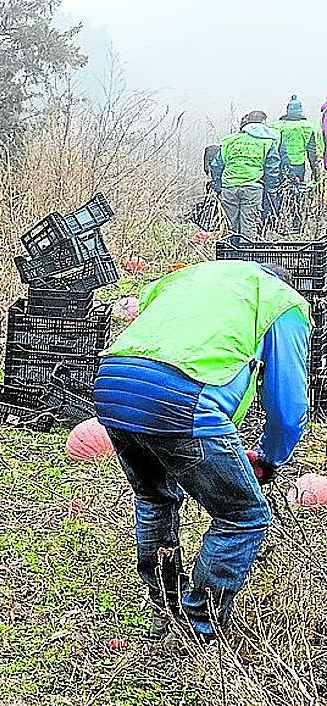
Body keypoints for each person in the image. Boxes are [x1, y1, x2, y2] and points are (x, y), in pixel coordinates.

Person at [94, 261, 310, 643]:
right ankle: (197, 628)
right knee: (243, 516)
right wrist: (270, 458)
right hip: (179, 395)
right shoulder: (281, 303)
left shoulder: (193, 279)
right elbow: (288, 407)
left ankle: (166, 607)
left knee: (154, 497)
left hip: (113, 381)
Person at [209, 111, 283, 239]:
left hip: (229, 187)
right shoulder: (267, 142)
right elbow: (272, 168)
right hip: (253, 187)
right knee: (249, 224)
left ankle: (229, 254)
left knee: (229, 225)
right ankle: (245, 254)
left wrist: (218, 186)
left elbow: (217, 165)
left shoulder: (229, 140)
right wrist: (270, 189)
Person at [271, 96, 320, 232]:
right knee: (297, 195)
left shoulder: (277, 126)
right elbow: (312, 152)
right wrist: (316, 174)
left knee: (278, 193)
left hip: (278, 166)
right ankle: (296, 225)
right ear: (300, 110)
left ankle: (276, 224)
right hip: (298, 166)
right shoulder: (307, 127)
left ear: (287, 110)